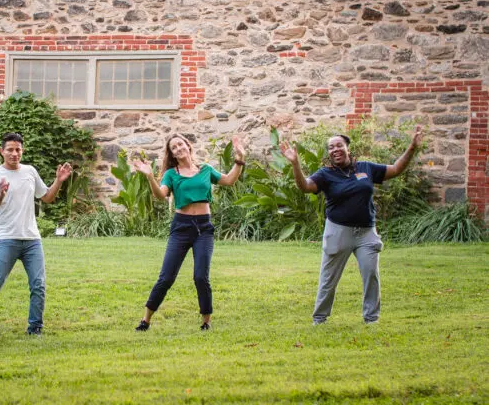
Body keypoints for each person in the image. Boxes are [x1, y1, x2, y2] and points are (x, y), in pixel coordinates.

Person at [279, 125, 423, 325]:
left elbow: (396, 169)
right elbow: (305, 186)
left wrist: (412, 148)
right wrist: (295, 164)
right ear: (328, 153)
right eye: (331, 147)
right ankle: (320, 319)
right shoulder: (325, 174)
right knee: (328, 279)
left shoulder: (366, 168)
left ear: (347, 148)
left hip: (366, 232)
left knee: (371, 275)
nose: (335, 149)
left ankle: (371, 319)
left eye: (339, 145)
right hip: (338, 231)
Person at [0, 133, 72, 338]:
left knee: (38, 284)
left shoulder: (30, 171)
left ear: (22, 150)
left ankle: (35, 328)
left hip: (32, 239)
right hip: (7, 238)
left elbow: (46, 197)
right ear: (1, 151)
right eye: (10, 149)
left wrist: (58, 181)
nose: (14, 153)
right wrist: (1, 194)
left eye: (18, 149)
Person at [132, 134, 246, 331]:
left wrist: (240, 159)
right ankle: (145, 320)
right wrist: (150, 176)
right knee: (166, 277)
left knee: (201, 276)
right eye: (173, 148)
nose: (178, 148)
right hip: (181, 227)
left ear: (188, 146)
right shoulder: (171, 174)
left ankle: (206, 322)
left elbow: (228, 181)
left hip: (203, 228)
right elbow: (160, 195)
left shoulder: (205, 170)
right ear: (172, 154)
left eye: (180, 144)